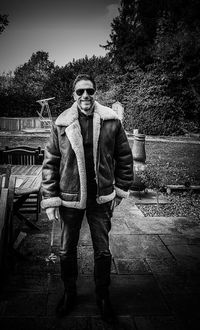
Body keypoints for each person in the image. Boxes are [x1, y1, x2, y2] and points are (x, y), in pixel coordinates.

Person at [41, 73, 133, 321]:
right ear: (74, 95)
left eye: (89, 91)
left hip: (100, 198)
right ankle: (69, 294)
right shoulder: (61, 124)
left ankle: (103, 296)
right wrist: (50, 198)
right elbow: (50, 163)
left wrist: (121, 189)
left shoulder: (111, 121)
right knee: (65, 251)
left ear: (95, 93)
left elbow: (124, 157)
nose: (85, 96)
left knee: (102, 251)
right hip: (70, 197)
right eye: (80, 91)